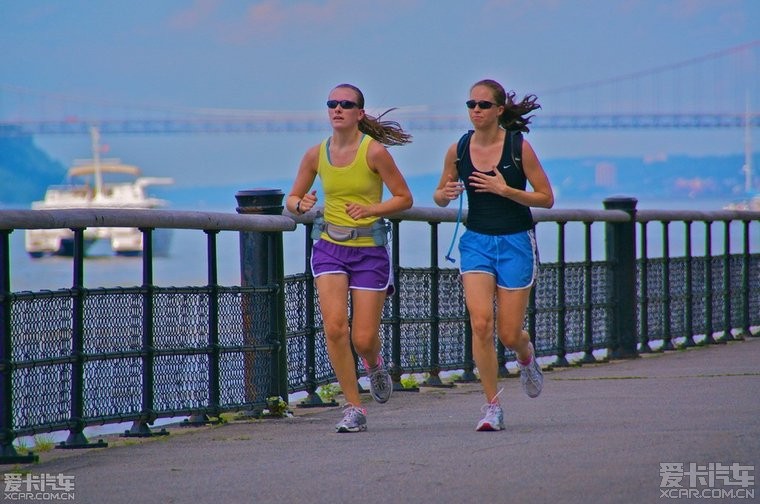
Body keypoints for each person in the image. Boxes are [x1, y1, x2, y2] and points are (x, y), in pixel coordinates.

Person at [286, 83, 413, 433]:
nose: (338, 109)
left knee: (363, 338)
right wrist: (301, 205)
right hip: (329, 246)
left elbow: (404, 198)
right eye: (332, 103)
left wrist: (371, 208)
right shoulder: (316, 154)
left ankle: (373, 363)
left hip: (369, 250)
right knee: (334, 327)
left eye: (346, 104)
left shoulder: (374, 153)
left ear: (359, 113)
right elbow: (293, 199)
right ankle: (354, 407)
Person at [433, 78, 554, 431]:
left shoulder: (519, 148)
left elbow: (546, 197)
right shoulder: (458, 149)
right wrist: (447, 192)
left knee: (508, 333)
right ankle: (492, 406)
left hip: (516, 241)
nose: (475, 111)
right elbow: (439, 195)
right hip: (476, 242)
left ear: (499, 110)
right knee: (481, 323)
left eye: (483, 105)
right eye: (470, 104)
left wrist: (505, 190)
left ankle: (526, 355)